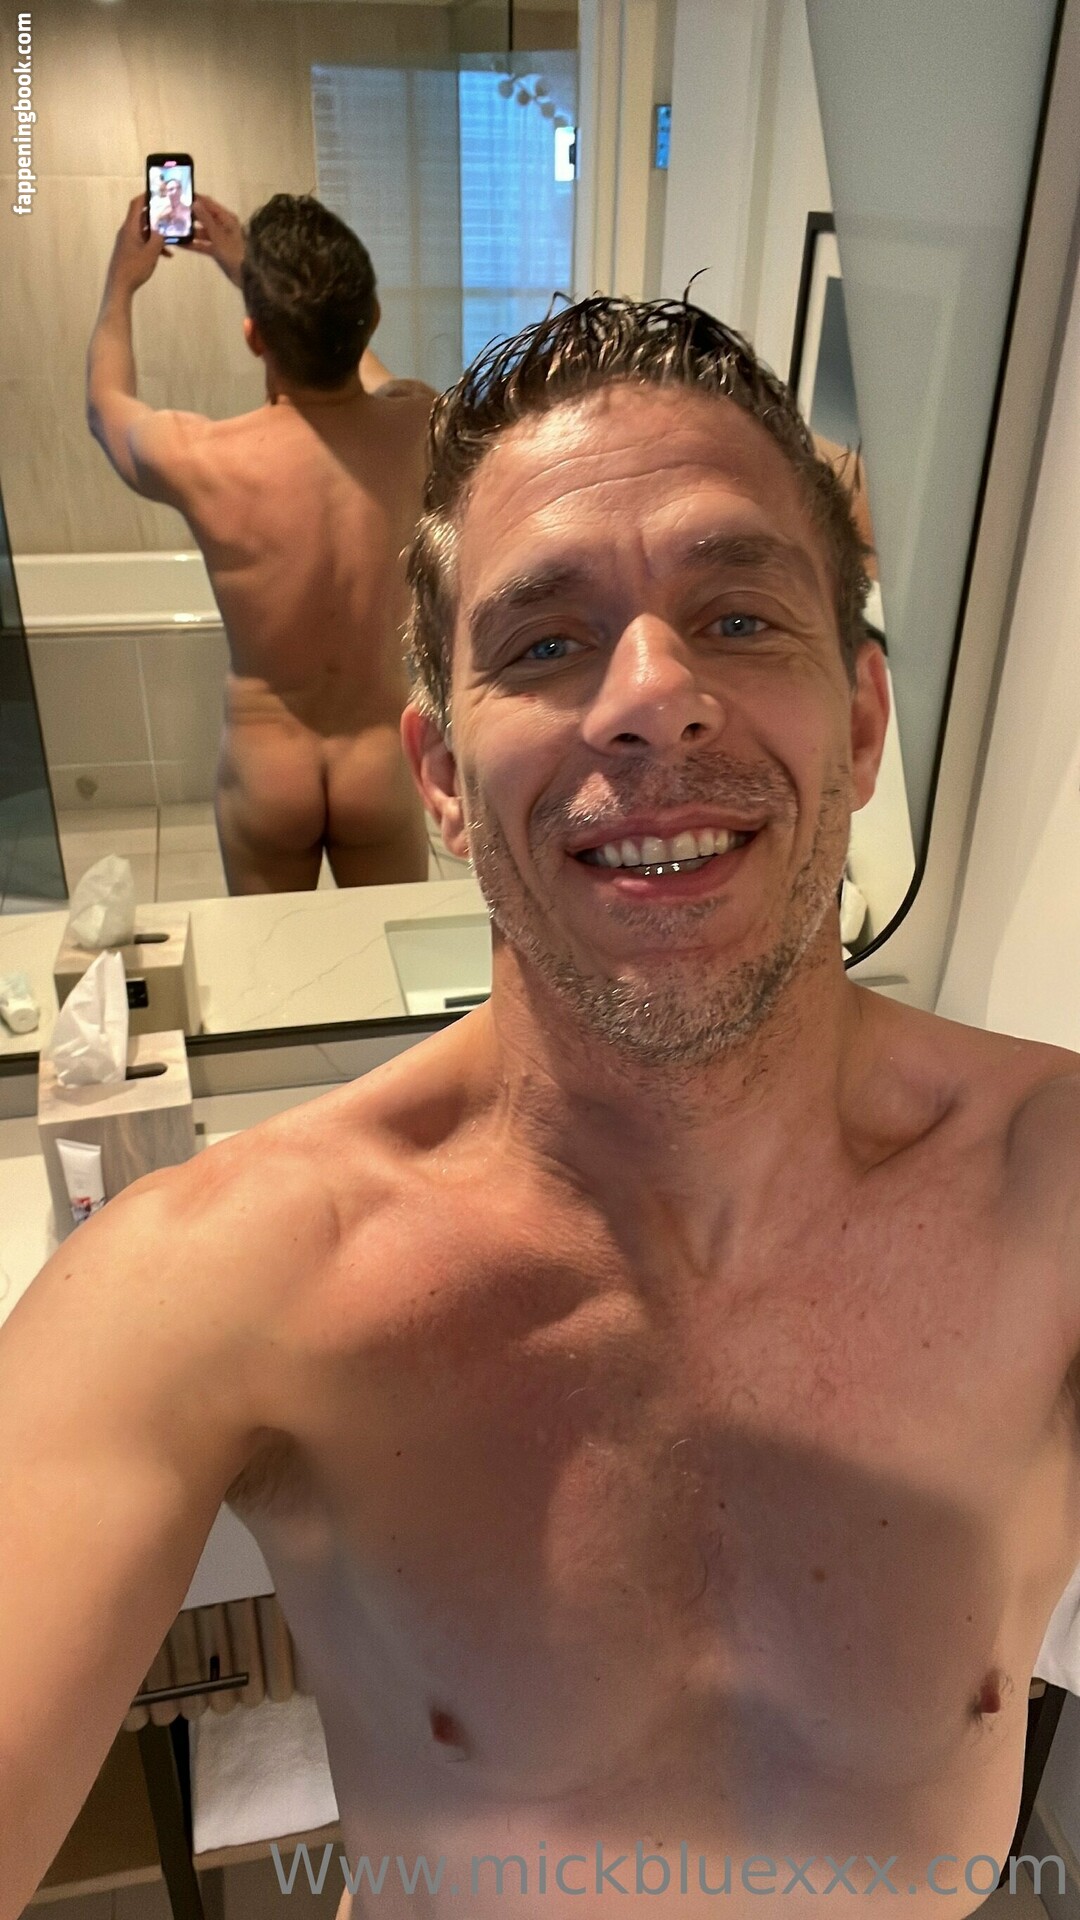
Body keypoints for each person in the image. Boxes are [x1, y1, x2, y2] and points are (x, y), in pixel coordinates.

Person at [7, 296, 1080, 1919]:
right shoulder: (230, 1276)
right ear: (442, 778)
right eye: (546, 643)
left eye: (738, 617)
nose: (651, 694)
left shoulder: (1048, 1193)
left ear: (864, 725)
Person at [85, 191, 434, 892]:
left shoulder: (200, 456)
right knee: (387, 956)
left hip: (267, 763)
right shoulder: (421, 425)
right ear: (370, 318)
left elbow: (104, 405)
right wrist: (271, 288)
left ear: (254, 337)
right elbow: (369, 373)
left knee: (273, 961)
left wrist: (121, 282)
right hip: (380, 760)